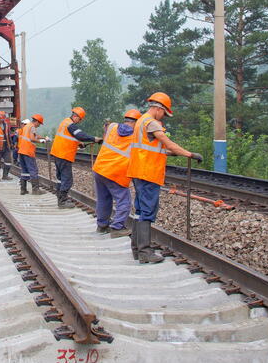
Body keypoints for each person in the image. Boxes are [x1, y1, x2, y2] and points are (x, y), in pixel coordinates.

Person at [127, 92, 203, 264]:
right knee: (147, 210)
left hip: (138, 170)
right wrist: (189, 154)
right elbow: (167, 142)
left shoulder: (140, 121)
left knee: (139, 211)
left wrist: (171, 153)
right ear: (159, 108)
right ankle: (145, 252)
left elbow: (153, 147)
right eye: (164, 113)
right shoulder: (152, 123)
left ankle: (136, 250)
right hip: (148, 172)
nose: (164, 117)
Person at [92, 109, 142, 237]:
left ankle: (102, 226)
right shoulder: (136, 136)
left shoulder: (113, 126)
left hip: (100, 169)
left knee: (103, 199)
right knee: (124, 200)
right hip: (116, 172)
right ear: (136, 122)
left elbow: (106, 131)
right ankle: (117, 227)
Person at [50, 107, 101, 208]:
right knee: (67, 179)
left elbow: (68, 137)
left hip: (58, 154)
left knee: (61, 178)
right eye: (80, 119)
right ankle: (63, 201)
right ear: (76, 116)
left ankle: (60, 198)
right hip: (64, 155)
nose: (79, 121)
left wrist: (78, 143)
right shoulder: (71, 125)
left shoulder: (65, 122)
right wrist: (94, 139)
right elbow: (80, 135)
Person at [17, 114, 45, 195]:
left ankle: (23, 189)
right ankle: (36, 190)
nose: (39, 125)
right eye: (39, 124)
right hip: (28, 151)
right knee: (33, 170)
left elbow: (35, 135)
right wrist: (40, 141)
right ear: (36, 121)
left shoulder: (26, 126)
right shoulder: (32, 126)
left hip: (22, 151)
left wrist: (44, 138)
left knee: (24, 170)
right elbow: (32, 138)